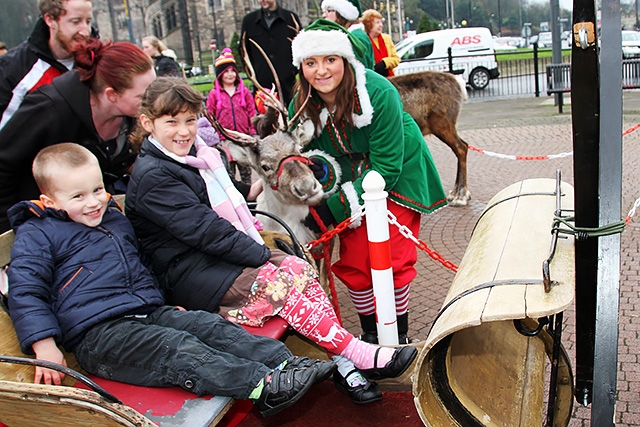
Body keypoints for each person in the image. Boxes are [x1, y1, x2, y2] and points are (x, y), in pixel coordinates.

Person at [126, 77, 419, 405]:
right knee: (280, 280)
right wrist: (262, 255)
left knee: (300, 267)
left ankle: (345, 363)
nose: (183, 131)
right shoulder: (155, 176)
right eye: (172, 122)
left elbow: (223, 208)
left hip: (211, 261)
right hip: (189, 274)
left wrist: (262, 237)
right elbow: (207, 231)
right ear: (147, 123)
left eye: (190, 120)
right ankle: (356, 355)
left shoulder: (195, 159)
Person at [7, 143, 335, 418]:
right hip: (98, 335)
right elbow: (26, 291)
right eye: (78, 197)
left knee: (209, 326)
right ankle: (265, 385)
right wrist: (43, 343)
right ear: (49, 201)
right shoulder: (38, 234)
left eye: (98, 190)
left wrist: (162, 302)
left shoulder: (114, 220)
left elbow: (140, 267)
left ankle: (288, 364)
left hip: (147, 313)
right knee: (178, 348)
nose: (93, 202)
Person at [289, 20, 447, 345]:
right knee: (356, 260)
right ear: (301, 66)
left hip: (397, 171)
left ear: (345, 60)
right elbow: (313, 162)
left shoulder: (379, 91)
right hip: (348, 178)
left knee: (392, 256)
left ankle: (397, 335)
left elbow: (387, 167)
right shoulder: (301, 105)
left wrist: (334, 209)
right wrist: (317, 207)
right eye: (311, 62)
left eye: (330, 59)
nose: (321, 71)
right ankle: (371, 334)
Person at [0, 38, 156, 233]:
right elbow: (4, 163)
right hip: (39, 229)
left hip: (93, 224)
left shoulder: (132, 118)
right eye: (143, 96)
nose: (153, 100)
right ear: (111, 95)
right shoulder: (48, 109)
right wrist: (8, 232)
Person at [0, 0, 93, 130]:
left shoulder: (100, 61)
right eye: (76, 22)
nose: (85, 32)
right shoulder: (14, 68)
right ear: (50, 20)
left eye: (88, 22)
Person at [206, 48, 256, 185]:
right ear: (220, 74)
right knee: (229, 172)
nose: (230, 74)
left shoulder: (244, 92)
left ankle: (249, 196)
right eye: (226, 71)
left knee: (246, 171)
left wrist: (253, 132)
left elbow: (252, 113)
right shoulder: (214, 94)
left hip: (242, 138)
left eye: (232, 71)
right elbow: (210, 116)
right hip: (225, 139)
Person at [240, 0, 302, 106]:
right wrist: (254, 72)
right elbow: (243, 50)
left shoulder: (290, 18)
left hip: (287, 85)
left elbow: (300, 47)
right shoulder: (249, 21)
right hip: (262, 87)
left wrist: (291, 71)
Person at [321, 0, 374, 69]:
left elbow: (361, 73)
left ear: (343, 13)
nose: (324, 15)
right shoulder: (349, 35)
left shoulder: (356, 38)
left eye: (329, 10)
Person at [362, 9, 400, 77]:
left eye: (381, 22)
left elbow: (396, 59)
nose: (381, 25)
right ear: (369, 24)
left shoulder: (387, 38)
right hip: (373, 78)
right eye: (377, 22)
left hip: (390, 78)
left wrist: (384, 63)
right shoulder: (364, 41)